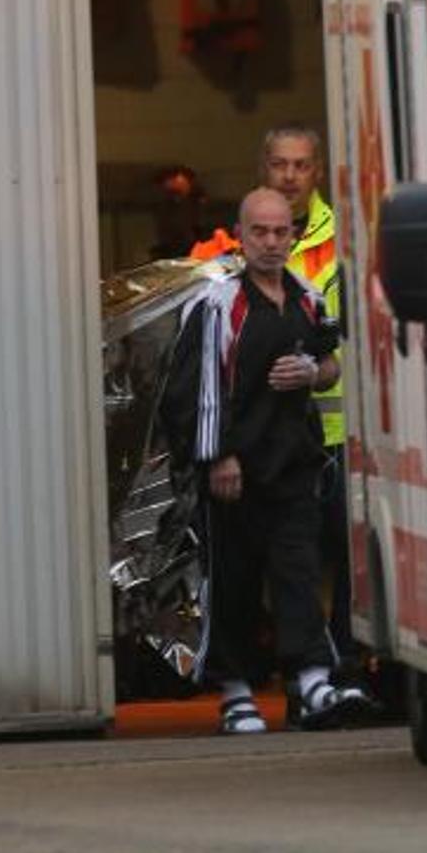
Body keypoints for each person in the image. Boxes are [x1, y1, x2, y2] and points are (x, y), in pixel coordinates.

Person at [159, 189, 372, 735]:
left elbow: (328, 362)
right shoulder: (217, 302)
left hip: (293, 464)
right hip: (235, 471)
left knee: (298, 572)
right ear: (241, 233)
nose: (272, 242)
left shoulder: (305, 295)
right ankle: (235, 692)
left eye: (281, 232)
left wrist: (313, 371)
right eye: (260, 232)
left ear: (292, 236)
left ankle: (311, 679)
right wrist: (218, 456)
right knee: (234, 580)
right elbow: (198, 385)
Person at [258, 124, 355, 670]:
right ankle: (304, 675)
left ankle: (342, 666)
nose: (290, 175)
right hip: (272, 434)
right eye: (279, 164)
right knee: (287, 561)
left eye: (300, 165)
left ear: (317, 171)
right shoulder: (244, 238)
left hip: (337, 434)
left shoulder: (344, 237)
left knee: (345, 558)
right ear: (264, 168)